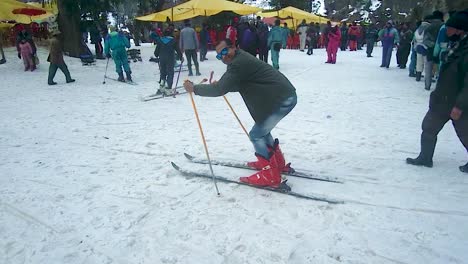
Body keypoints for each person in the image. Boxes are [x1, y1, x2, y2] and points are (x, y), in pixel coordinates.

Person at [182, 39, 297, 187]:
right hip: (281, 96)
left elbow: (220, 90)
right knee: (263, 130)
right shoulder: (240, 58)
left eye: (225, 52)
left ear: (234, 47)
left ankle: (270, 175)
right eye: (219, 56)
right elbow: (243, 82)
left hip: (281, 99)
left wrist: (195, 89)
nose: (223, 57)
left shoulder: (237, 63)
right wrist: (224, 84)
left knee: (257, 134)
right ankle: (277, 164)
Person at [406, 11, 468, 173]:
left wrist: (460, 105)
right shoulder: (457, 45)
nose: (446, 31)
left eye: (449, 28)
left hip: (457, 101)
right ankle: (425, 157)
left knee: (465, 134)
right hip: (443, 99)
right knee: (428, 127)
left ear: (460, 30)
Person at [154, 28, 184, 96]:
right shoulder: (173, 41)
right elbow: (178, 50)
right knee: (170, 73)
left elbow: (156, 53)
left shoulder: (160, 41)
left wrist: (157, 54)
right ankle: (168, 88)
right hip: (170, 59)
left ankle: (161, 87)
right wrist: (181, 57)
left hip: (162, 59)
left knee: (163, 73)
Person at [423, 10, 444, 91]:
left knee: (428, 68)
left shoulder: (428, 27)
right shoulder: (444, 26)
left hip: (430, 50)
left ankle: (427, 85)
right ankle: (439, 87)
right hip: (441, 51)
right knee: (440, 69)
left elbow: (425, 40)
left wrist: (432, 45)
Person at [414, 16, 431, 82]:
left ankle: (418, 77)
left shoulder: (418, 29)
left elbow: (415, 39)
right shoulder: (428, 28)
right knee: (426, 63)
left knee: (419, 62)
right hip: (425, 47)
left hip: (418, 47)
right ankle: (427, 77)